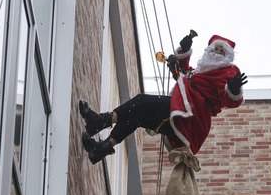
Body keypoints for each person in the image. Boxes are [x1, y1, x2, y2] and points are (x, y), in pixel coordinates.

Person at [79, 33, 248, 164]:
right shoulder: (201, 71)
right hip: (184, 109)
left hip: (191, 115)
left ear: (228, 56)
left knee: (141, 102)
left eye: (222, 50)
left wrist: (233, 90)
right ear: (209, 50)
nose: (218, 52)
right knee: (136, 117)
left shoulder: (228, 72)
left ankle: (99, 121)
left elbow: (229, 100)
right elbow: (185, 76)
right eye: (215, 48)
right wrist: (182, 52)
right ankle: (101, 149)